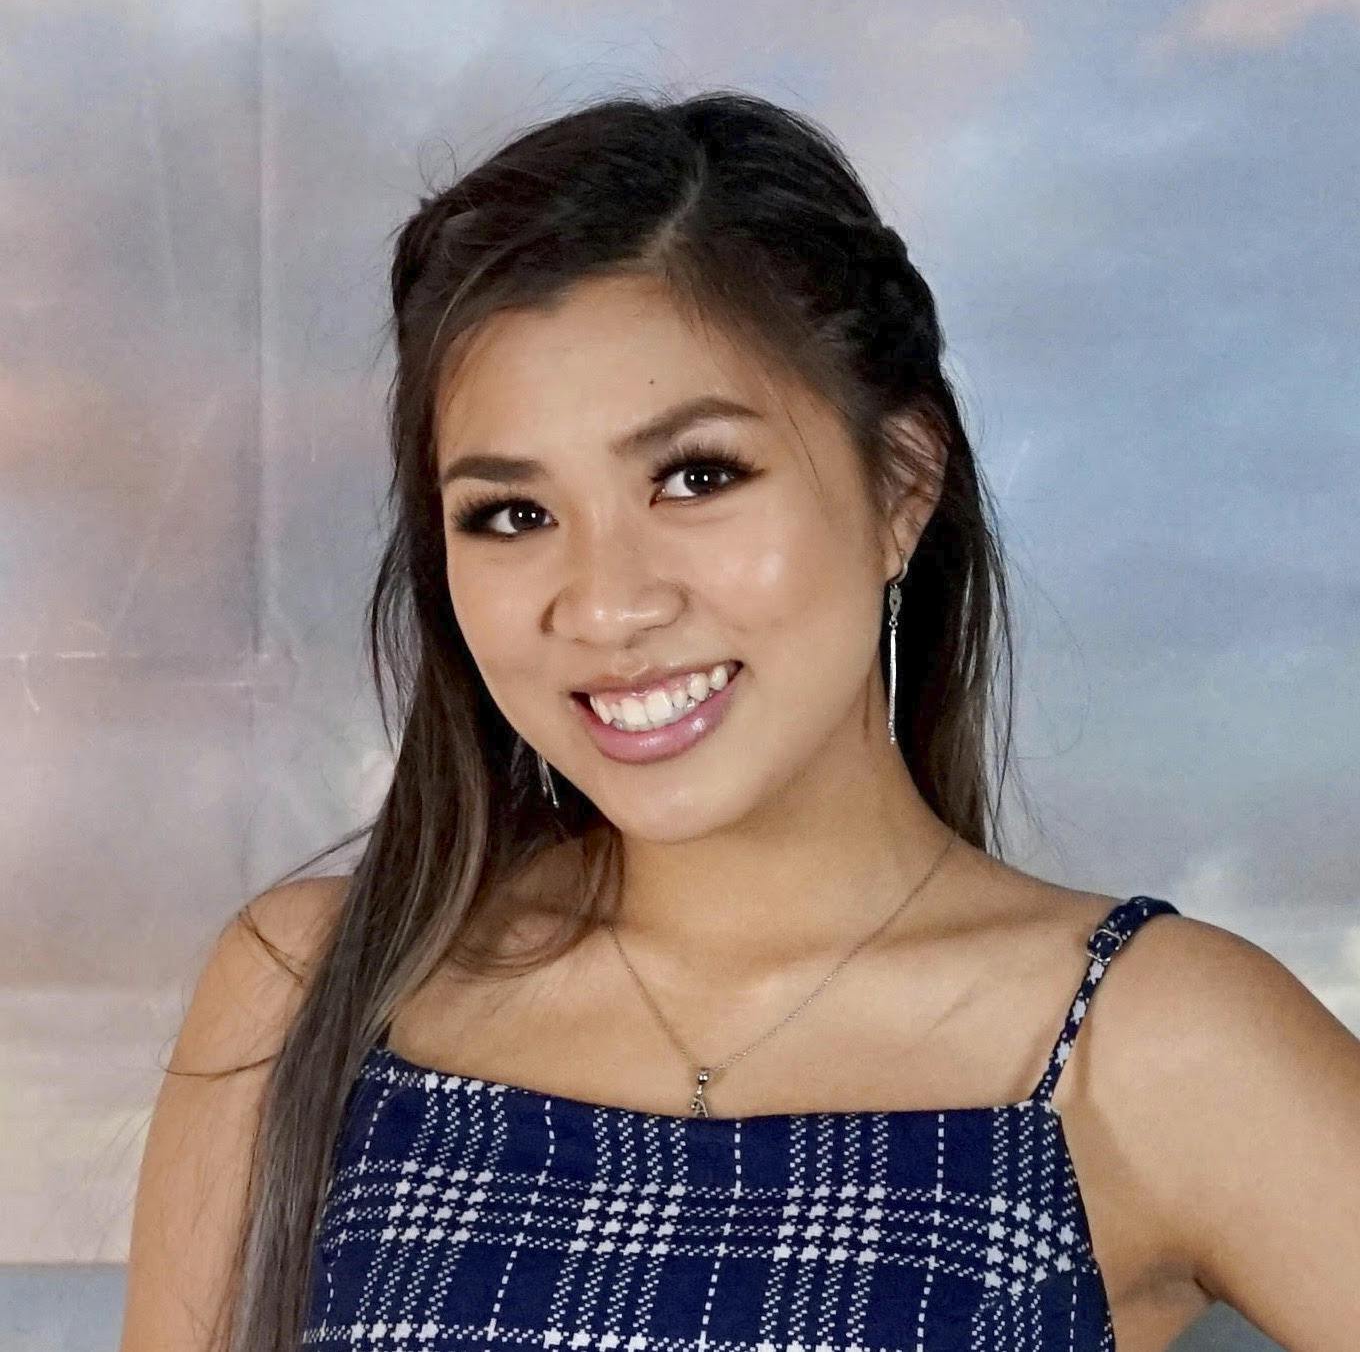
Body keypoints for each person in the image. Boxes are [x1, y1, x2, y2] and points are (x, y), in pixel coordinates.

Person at [119, 89, 1360, 1352]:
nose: (606, 605)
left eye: (696, 476)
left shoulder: (1146, 1044)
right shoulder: (306, 990)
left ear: (901, 486)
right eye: (512, 514)